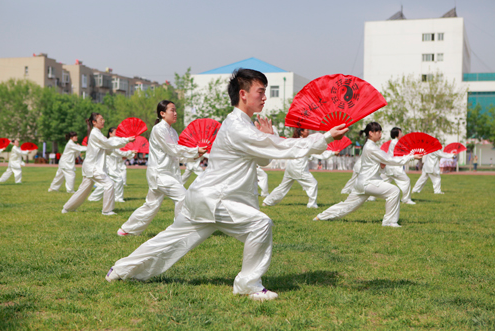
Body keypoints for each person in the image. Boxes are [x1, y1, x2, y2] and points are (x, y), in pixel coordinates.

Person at [105, 68, 348, 302]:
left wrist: (269, 135)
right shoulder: (238, 127)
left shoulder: (240, 125)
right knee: (260, 224)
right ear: (243, 94)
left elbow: (263, 157)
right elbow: (280, 149)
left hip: (205, 197)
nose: (264, 97)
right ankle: (248, 285)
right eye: (260, 92)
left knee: (168, 239)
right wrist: (325, 137)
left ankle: (119, 269)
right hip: (216, 199)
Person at [117, 100, 205, 236]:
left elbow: (177, 156)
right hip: (160, 174)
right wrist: (194, 150)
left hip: (167, 174)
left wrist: (196, 155)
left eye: (176, 110)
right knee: (183, 197)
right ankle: (178, 231)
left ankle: (126, 230)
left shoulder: (173, 132)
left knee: (151, 205)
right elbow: (173, 149)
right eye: (172, 110)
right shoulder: (159, 129)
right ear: (162, 113)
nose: (175, 113)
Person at [314, 122, 421, 227]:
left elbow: (377, 163)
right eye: (378, 131)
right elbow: (390, 159)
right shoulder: (371, 147)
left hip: (363, 182)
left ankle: (320, 216)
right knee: (394, 191)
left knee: (348, 206)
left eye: (380, 131)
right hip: (368, 183)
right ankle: (389, 222)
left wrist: (381, 166)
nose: (380, 134)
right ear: (370, 133)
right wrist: (411, 157)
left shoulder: (370, 146)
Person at [61, 113, 134, 215]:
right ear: (94, 122)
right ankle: (107, 210)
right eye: (101, 119)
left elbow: (107, 149)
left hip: (91, 166)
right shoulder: (95, 133)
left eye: (103, 118)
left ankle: (67, 208)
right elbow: (108, 144)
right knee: (109, 184)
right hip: (93, 167)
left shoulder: (98, 133)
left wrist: (124, 152)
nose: (103, 121)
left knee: (83, 190)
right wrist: (126, 140)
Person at [262, 128, 321, 209]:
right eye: (307, 130)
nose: (309, 131)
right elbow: (315, 153)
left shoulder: (295, 141)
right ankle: (312, 205)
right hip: (298, 168)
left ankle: (267, 202)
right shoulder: (304, 142)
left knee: (282, 187)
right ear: (301, 132)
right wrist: (332, 153)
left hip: (290, 168)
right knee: (313, 184)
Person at [88, 127, 136, 203]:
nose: (117, 134)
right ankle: (118, 198)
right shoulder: (110, 141)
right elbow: (118, 152)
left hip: (111, 165)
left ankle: (93, 198)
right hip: (109, 166)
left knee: (106, 184)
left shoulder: (115, 141)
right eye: (115, 132)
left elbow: (119, 154)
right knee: (118, 180)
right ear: (110, 133)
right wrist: (130, 152)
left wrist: (130, 152)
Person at [380, 127, 416, 205]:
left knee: (379, 182)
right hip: (395, 167)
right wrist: (413, 155)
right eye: (400, 132)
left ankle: (369, 197)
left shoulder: (395, 142)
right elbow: (403, 153)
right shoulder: (396, 143)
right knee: (406, 181)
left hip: (390, 167)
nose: (402, 134)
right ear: (397, 134)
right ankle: (406, 199)